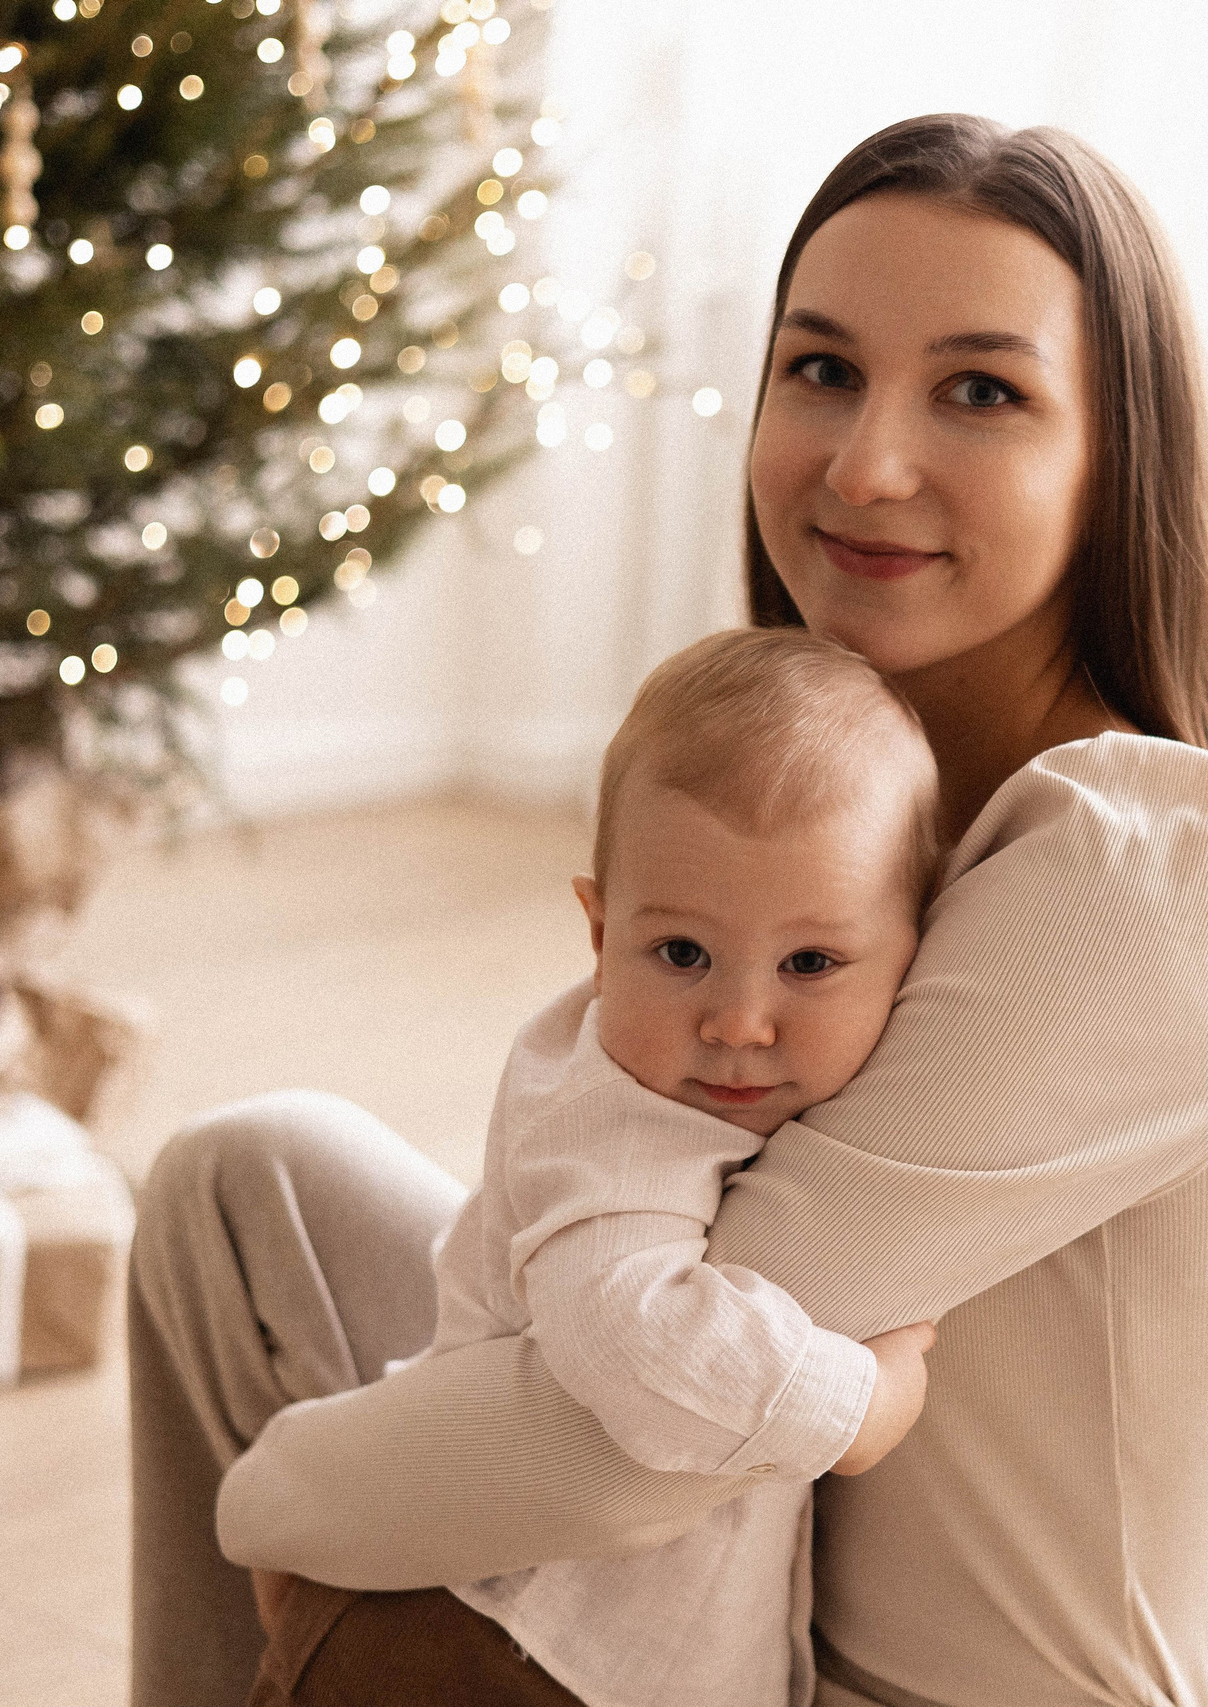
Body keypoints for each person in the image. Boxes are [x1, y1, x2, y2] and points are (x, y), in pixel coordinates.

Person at [131, 112, 1208, 1707]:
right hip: (749, 1623)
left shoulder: (1136, 869)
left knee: (417, 1568)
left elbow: (636, 1426)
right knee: (241, 1187)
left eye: (982, 390)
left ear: (1116, 460)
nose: (866, 462)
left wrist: (278, 1502)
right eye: (822, 368)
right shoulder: (862, 809)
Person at [254, 627, 947, 1706]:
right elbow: (641, 1347)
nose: (737, 1021)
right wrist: (862, 1404)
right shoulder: (617, 1126)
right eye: (680, 955)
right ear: (597, 927)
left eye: (810, 963)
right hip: (485, 1640)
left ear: (916, 953)